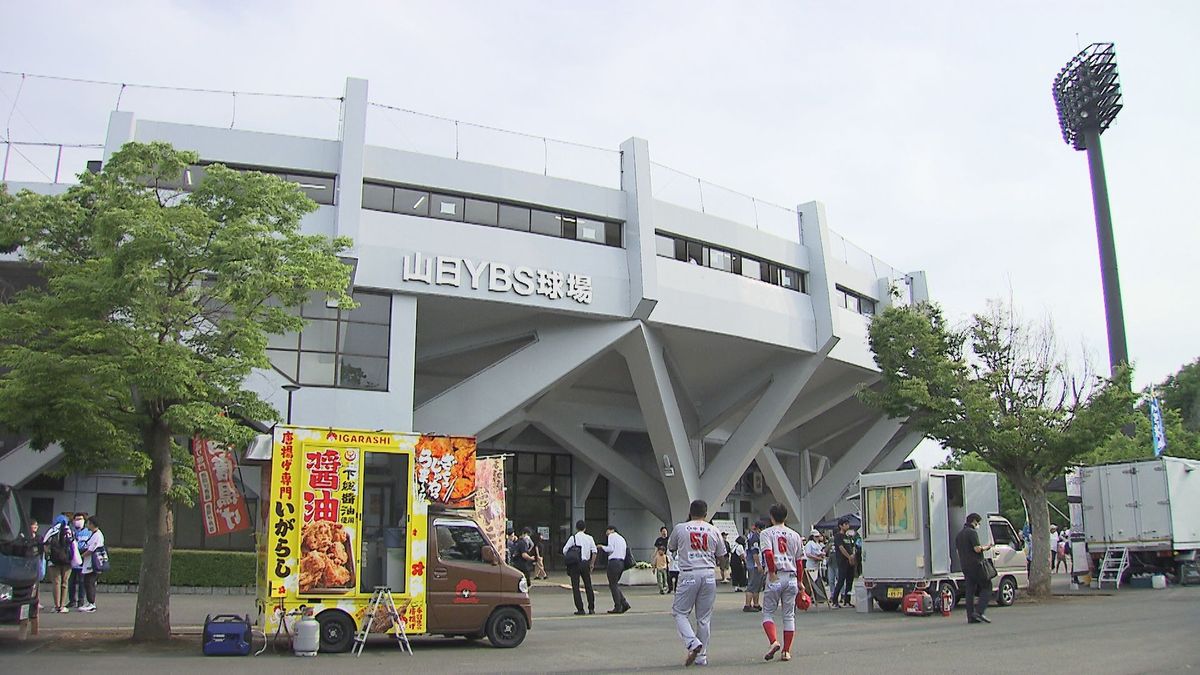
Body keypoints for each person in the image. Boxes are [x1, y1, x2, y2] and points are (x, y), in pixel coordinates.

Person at [667, 499, 728, 667]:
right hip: (709, 574)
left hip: (688, 573)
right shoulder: (713, 530)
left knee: (680, 612)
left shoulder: (681, 528)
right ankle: (702, 656)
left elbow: (671, 547)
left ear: (690, 512)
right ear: (706, 513)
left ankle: (692, 643)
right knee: (704, 618)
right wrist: (722, 569)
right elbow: (722, 556)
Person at [759, 504, 803, 662]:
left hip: (776, 575)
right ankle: (786, 651)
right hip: (791, 576)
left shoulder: (766, 533)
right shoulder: (795, 535)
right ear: (786, 517)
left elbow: (768, 554)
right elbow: (799, 561)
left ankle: (773, 641)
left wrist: (771, 571)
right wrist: (800, 581)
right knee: (789, 616)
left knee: (768, 613)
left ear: (771, 516)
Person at [955, 512, 993, 624]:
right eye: (978, 522)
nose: (978, 525)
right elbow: (977, 549)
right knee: (987, 586)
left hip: (965, 566)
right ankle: (979, 612)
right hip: (976, 564)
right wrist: (986, 547)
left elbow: (958, 552)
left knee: (969, 591)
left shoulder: (959, 535)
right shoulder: (972, 533)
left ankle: (970, 616)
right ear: (974, 521)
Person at [43, 514, 80, 613]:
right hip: (67, 561)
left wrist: (49, 556)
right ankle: (62, 606)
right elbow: (74, 546)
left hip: (54, 561)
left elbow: (45, 544)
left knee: (56, 582)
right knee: (65, 583)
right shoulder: (70, 531)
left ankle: (56, 605)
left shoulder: (52, 531)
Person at [562, 520, 597, 615]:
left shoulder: (573, 538)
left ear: (576, 528)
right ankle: (591, 608)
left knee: (576, 587)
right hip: (585, 563)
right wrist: (592, 564)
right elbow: (594, 551)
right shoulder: (589, 538)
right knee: (588, 586)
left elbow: (564, 550)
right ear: (585, 528)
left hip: (575, 564)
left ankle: (580, 609)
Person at [598, 525, 631, 614]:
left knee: (613, 585)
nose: (606, 533)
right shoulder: (622, 538)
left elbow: (611, 548)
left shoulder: (612, 536)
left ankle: (618, 606)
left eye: (607, 531)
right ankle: (624, 603)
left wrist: (602, 547)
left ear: (612, 530)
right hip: (621, 563)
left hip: (614, 562)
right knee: (614, 584)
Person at [78, 516, 105, 612]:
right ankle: (90, 602)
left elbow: (91, 550)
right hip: (90, 562)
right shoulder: (94, 534)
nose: (86, 525)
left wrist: (80, 556)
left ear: (92, 524)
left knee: (89, 583)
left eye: (88, 523)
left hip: (93, 563)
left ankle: (91, 603)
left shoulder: (97, 535)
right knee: (88, 582)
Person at [830, 518, 857, 608]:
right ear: (841, 526)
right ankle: (835, 601)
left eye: (848, 524)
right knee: (841, 581)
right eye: (845, 524)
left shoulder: (848, 537)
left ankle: (847, 601)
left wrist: (853, 556)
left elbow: (852, 547)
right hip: (842, 562)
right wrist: (848, 557)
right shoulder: (838, 536)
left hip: (850, 562)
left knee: (850, 581)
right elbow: (841, 548)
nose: (847, 526)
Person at [68, 512, 90, 609]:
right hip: (72, 561)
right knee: (71, 582)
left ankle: (81, 601)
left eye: (80, 519)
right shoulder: (71, 532)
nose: (78, 521)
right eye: (76, 519)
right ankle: (72, 600)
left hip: (83, 561)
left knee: (82, 582)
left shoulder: (88, 532)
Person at [744, 520, 765, 612]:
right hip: (754, 565)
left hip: (755, 564)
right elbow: (755, 553)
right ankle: (747, 605)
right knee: (752, 585)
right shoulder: (755, 538)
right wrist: (759, 565)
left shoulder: (754, 537)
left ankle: (756, 604)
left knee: (757, 585)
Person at [803, 528, 826, 601]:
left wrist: (821, 555)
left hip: (817, 565)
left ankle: (816, 597)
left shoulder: (817, 544)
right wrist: (817, 558)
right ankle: (808, 597)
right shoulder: (809, 544)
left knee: (817, 582)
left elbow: (820, 552)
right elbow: (808, 554)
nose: (817, 538)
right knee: (809, 583)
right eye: (816, 536)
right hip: (810, 565)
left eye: (818, 536)